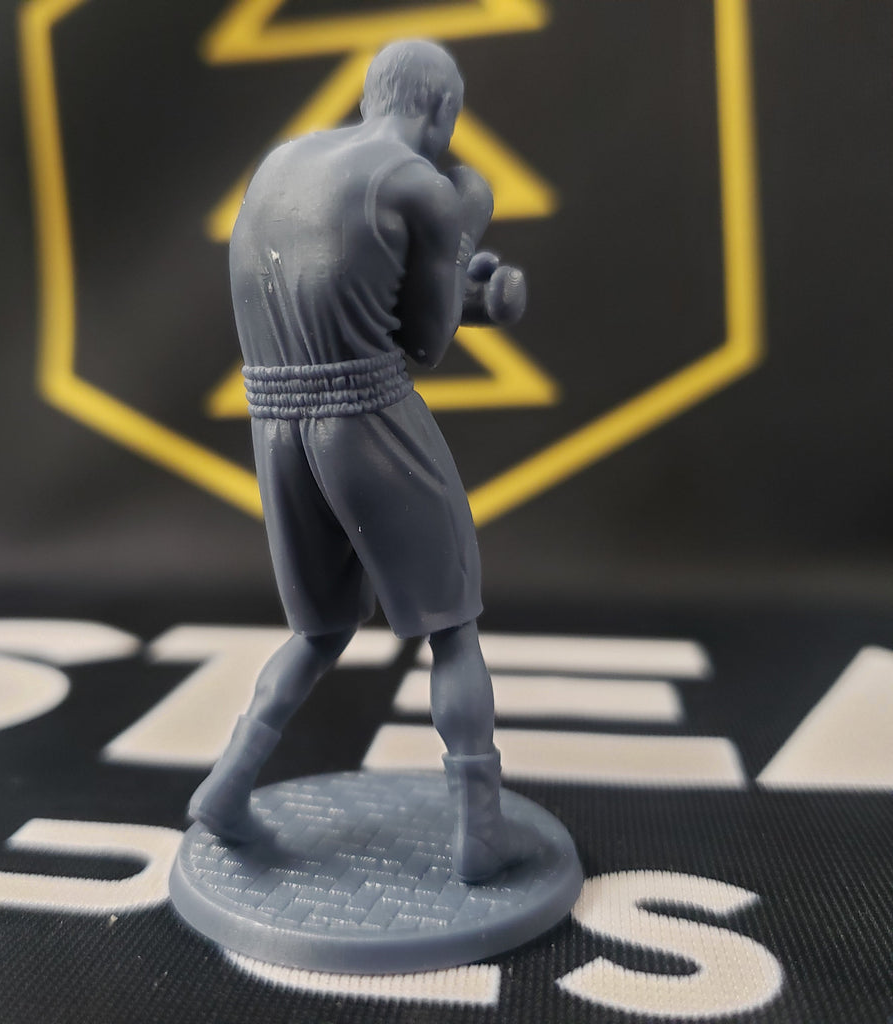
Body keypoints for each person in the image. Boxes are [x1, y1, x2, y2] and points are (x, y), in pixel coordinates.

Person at [188, 39, 535, 883]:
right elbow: (424, 343)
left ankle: (226, 787)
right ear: (442, 108)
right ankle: (480, 832)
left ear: (371, 94)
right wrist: (467, 232)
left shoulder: (282, 162)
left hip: (275, 422)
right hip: (364, 415)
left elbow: (346, 289)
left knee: (318, 629)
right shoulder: (422, 186)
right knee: (451, 626)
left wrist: (455, 277)